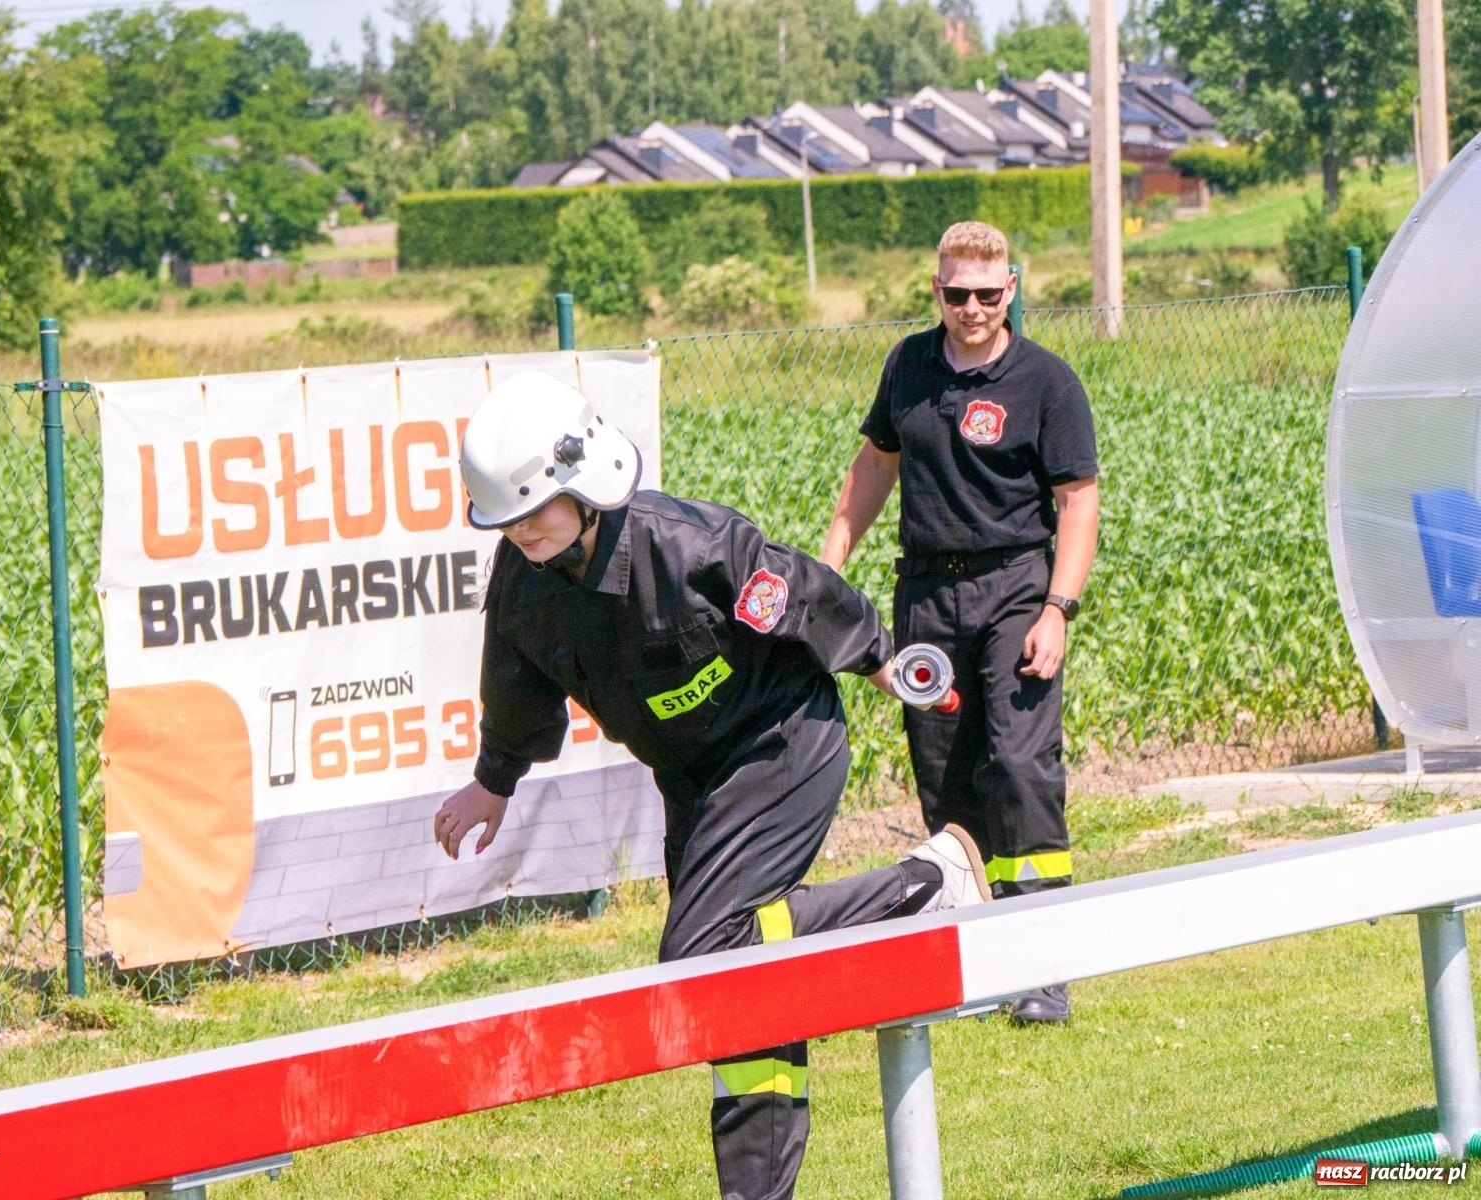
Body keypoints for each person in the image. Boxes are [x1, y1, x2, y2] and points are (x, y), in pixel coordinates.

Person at [434, 370, 991, 1200]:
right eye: (505, 520)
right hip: (692, 778)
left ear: (583, 485)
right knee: (736, 996)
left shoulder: (686, 544)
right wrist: (493, 782)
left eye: (533, 511)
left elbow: (800, 593)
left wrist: (881, 661)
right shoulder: (523, 585)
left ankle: (923, 886)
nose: (519, 532)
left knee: (699, 953)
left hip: (780, 743)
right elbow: (514, 684)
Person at [820, 220, 1100, 1026]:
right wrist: (829, 564)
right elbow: (876, 463)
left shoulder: (1046, 382)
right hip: (925, 599)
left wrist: (1057, 609)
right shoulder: (909, 365)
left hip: (1015, 591)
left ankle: (1044, 967)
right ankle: (976, 961)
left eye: (986, 294)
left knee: (1018, 766)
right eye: (956, 294)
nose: (971, 308)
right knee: (943, 772)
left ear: (1010, 289)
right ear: (936, 290)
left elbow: (1078, 501)